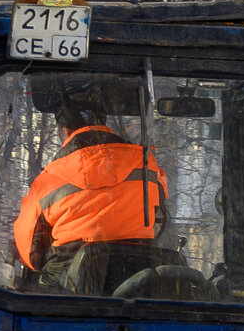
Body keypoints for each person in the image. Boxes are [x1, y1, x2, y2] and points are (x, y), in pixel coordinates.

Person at [13, 92, 168, 290]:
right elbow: (161, 213)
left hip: (70, 288)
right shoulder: (148, 166)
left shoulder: (46, 182)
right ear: (104, 123)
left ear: (66, 131)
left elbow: (30, 253)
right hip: (140, 277)